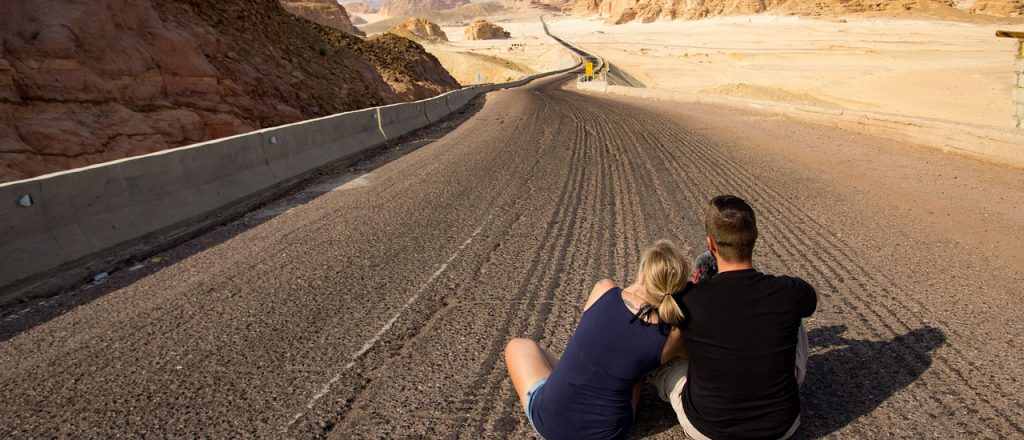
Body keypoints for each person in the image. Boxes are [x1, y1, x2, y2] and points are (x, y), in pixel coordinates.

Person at [651, 195, 817, 440]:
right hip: (781, 427)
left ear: (711, 244)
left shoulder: (689, 299)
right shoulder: (787, 291)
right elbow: (813, 298)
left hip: (707, 430)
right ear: (756, 236)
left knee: (667, 357)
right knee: (796, 314)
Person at [505, 240, 690, 440]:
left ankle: (567, 388)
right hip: (608, 433)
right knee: (639, 367)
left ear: (643, 276)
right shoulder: (672, 336)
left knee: (518, 345)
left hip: (550, 423)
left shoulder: (604, 289)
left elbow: (620, 311)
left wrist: (640, 286)